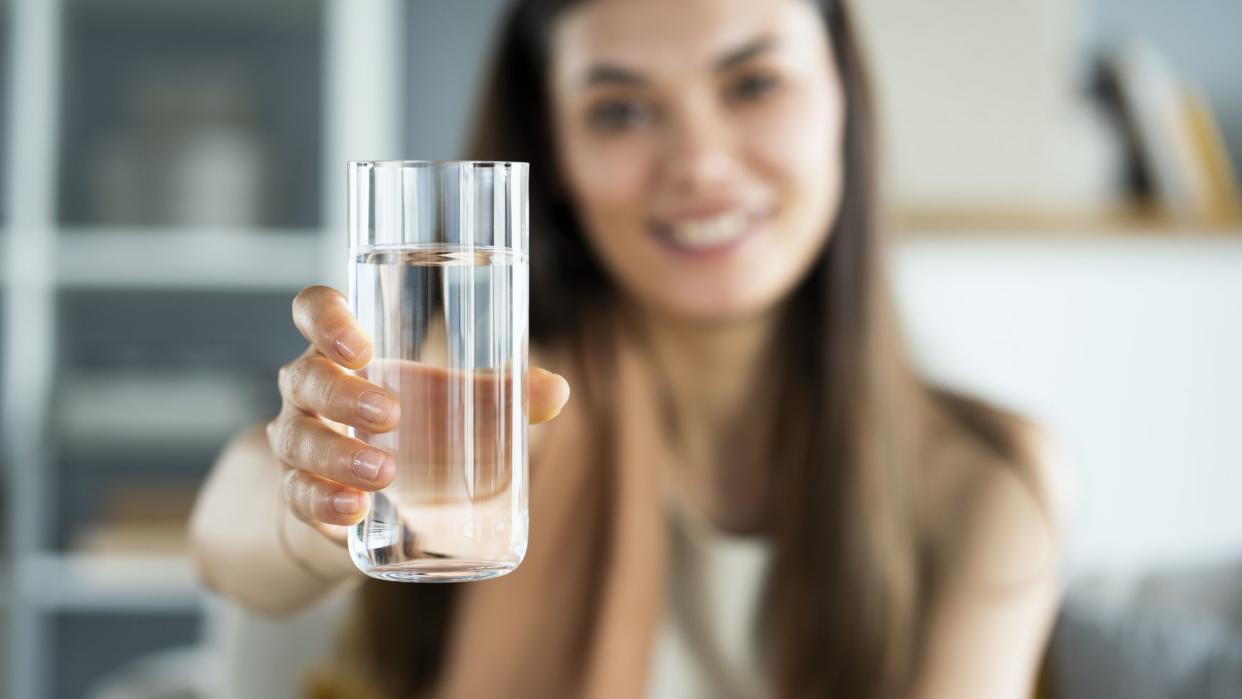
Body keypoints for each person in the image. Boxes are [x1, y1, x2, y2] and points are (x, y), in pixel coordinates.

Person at [190, 0, 1064, 696]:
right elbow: (227, 530)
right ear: (555, 150)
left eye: (754, 84)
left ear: (843, 96)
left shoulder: (983, 476)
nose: (700, 164)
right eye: (620, 110)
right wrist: (311, 504)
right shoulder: (490, 401)